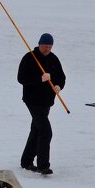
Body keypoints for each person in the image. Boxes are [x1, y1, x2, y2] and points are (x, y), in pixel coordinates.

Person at [17, 33, 66, 176]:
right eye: (45, 46)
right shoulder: (29, 58)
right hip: (32, 100)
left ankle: (26, 161)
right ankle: (43, 165)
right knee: (45, 130)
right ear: (39, 44)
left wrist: (58, 86)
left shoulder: (53, 59)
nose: (47, 49)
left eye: (50, 46)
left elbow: (61, 77)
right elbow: (21, 78)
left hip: (47, 101)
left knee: (37, 130)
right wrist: (40, 79)